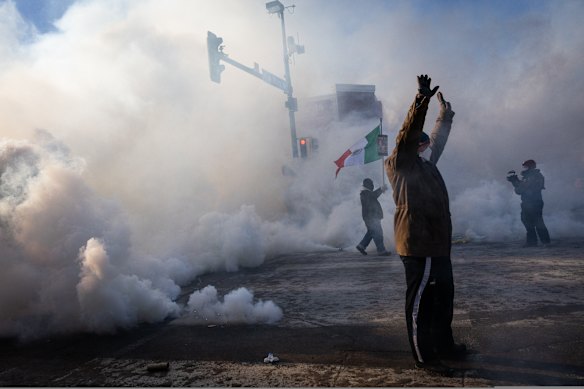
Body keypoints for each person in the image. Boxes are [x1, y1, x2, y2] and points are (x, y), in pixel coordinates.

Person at [385, 75, 466, 375]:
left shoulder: (425, 163)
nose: (424, 146)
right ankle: (424, 357)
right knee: (420, 304)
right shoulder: (400, 163)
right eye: (419, 142)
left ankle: (445, 346)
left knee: (443, 298)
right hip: (418, 244)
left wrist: (444, 116)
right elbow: (409, 133)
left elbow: (437, 140)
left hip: (437, 244)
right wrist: (422, 100)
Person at [506, 160, 551, 246]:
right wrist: (516, 181)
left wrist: (514, 182)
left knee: (537, 222)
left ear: (530, 167)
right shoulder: (531, 176)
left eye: (526, 167)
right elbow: (523, 187)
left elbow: (520, 190)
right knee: (528, 221)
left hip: (533, 202)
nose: (524, 168)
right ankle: (535, 242)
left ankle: (542, 242)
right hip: (530, 202)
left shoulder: (533, 176)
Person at [356, 178, 391, 256]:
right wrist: (381, 189)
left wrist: (381, 189)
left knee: (371, 232)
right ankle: (381, 251)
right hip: (371, 217)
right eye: (371, 184)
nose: (372, 185)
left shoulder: (366, 193)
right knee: (378, 233)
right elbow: (373, 196)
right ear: (368, 185)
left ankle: (361, 246)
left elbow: (373, 196)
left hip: (371, 217)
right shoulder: (365, 193)